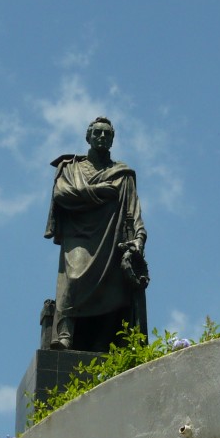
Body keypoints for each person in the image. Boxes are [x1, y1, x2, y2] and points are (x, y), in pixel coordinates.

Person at [45, 117, 148, 351]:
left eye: (107, 134)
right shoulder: (70, 168)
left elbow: (134, 210)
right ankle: (64, 334)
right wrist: (97, 191)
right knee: (73, 280)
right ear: (88, 137)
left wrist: (139, 238)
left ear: (112, 139)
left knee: (116, 289)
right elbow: (62, 194)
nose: (102, 137)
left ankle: (105, 342)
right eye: (98, 133)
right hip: (79, 235)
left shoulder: (123, 174)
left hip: (112, 237)